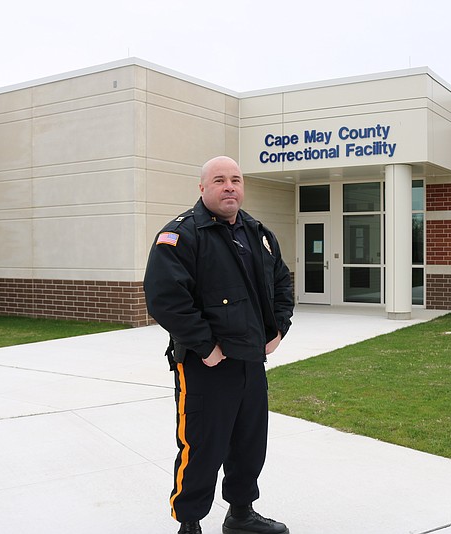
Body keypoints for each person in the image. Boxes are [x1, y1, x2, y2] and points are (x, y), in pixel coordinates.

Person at [144, 156, 294, 534]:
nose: (230, 186)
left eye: (236, 180)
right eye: (220, 180)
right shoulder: (181, 235)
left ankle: (241, 514)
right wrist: (206, 346)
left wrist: (277, 331)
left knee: (249, 442)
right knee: (202, 446)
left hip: (250, 361)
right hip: (203, 365)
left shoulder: (257, 233)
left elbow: (282, 283)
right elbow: (165, 298)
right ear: (202, 188)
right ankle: (190, 523)